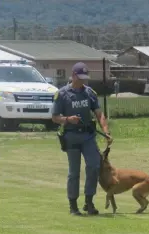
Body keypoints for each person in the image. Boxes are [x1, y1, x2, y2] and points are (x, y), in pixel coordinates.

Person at [52, 62, 113, 216]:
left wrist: (106, 131)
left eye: (85, 78)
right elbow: (54, 117)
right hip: (71, 136)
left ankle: (89, 202)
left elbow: (99, 114)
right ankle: (73, 206)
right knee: (74, 172)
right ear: (73, 75)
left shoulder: (89, 93)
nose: (83, 81)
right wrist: (68, 119)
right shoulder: (62, 94)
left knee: (93, 166)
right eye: (80, 78)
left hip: (88, 136)